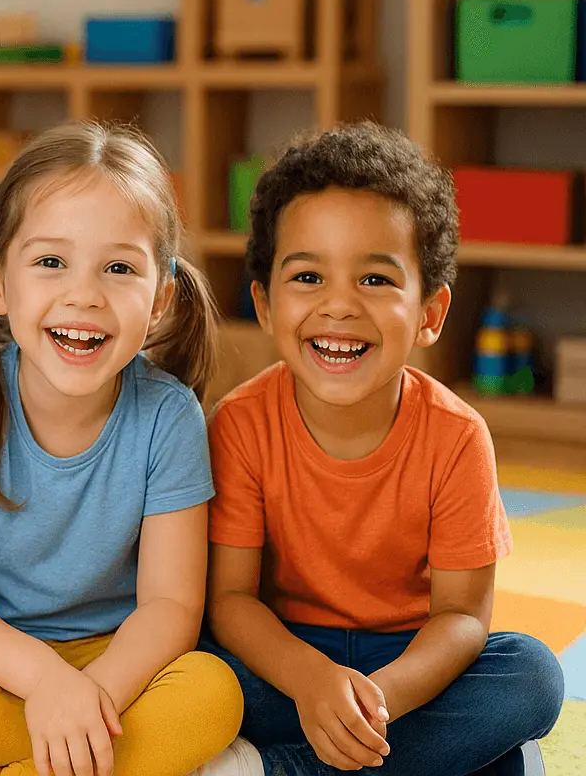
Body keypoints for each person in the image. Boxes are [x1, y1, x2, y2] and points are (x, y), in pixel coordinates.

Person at [204, 122, 565, 776]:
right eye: (308, 276)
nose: (339, 305)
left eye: (375, 279)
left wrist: (377, 702)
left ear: (430, 313)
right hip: (287, 662)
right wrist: (313, 681)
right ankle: (427, 758)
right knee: (196, 672)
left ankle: (288, 769)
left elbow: (461, 616)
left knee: (532, 676)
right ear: (265, 304)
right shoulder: (239, 424)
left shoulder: (457, 437)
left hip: (409, 666)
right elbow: (231, 600)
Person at [0, 121, 246, 776]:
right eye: (51, 262)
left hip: (116, 664)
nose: (83, 295)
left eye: (119, 268)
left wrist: (89, 697)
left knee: (212, 697)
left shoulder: (170, 416)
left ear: (160, 300)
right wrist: (46, 683)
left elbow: (171, 607)